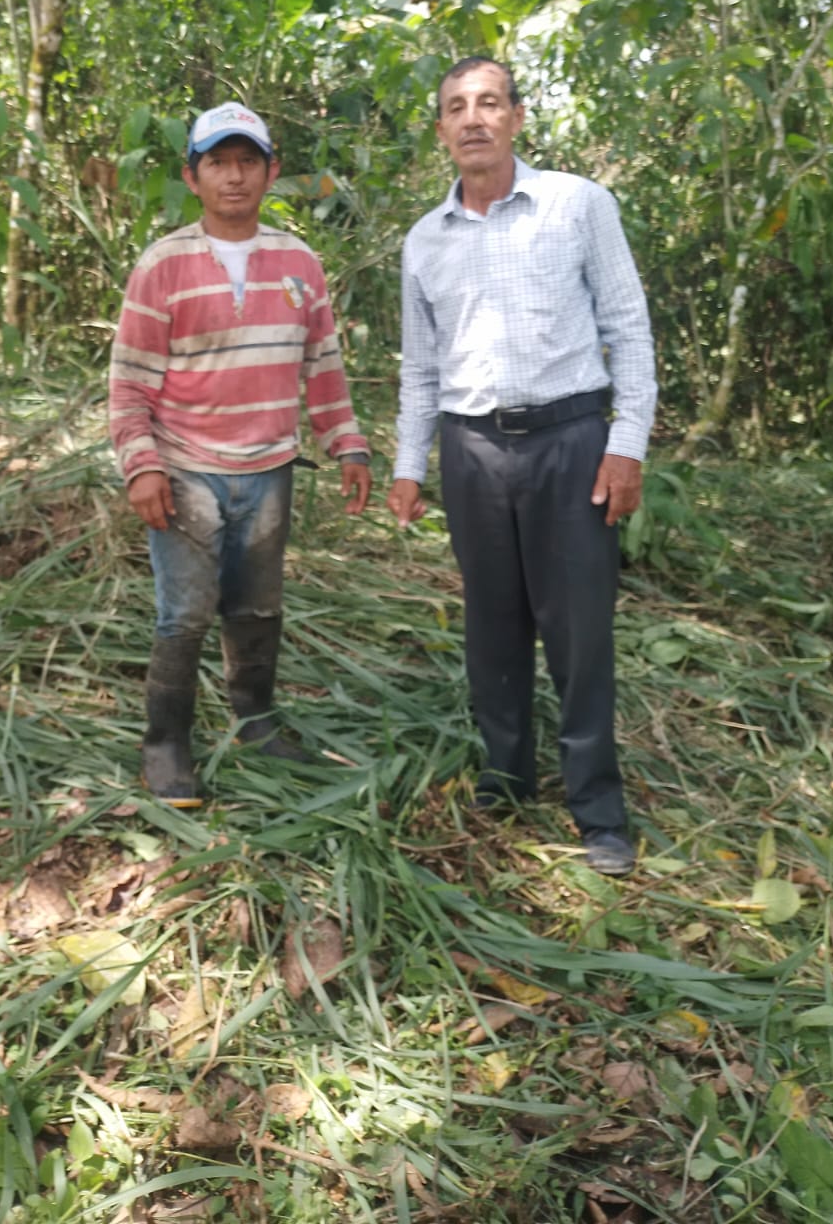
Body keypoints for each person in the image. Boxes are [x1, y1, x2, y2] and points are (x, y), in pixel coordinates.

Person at [387, 57, 657, 875]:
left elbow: (628, 325)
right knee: (492, 624)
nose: (473, 119)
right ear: (441, 128)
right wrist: (409, 465)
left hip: (569, 443)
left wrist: (626, 444)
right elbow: (420, 368)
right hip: (471, 450)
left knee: (579, 631)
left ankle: (598, 811)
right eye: (456, 107)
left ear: (517, 117)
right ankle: (506, 781)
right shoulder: (425, 240)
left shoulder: (577, 205)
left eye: (489, 103)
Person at [110, 101, 372, 807]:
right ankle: (166, 744)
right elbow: (130, 381)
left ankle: (256, 722)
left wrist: (347, 443)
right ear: (192, 177)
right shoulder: (163, 265)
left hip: (269, 469)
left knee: (257, 605)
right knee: (186, 612)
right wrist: (142, 465)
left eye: (247, 162)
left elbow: (323, 363)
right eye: (218, 163)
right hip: (186, 469)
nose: (234, 177)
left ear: (271, 171)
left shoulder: (299, 263)